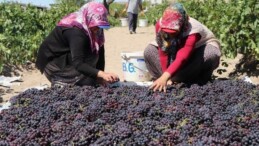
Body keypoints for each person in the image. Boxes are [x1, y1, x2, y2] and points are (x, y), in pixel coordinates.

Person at [36, 2, 119, 87]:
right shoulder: (75, 31)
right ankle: (61, 80)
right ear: (88, 18)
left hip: (69, 56)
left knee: (91, 68)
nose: (97, 29)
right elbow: (78, 63)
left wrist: (100, 76)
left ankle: (81, 80)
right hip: (54, 61)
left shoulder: (96, 28)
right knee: (80, 80)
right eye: (95, 25)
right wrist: (101, 74)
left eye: (99, 25)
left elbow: (100, 53)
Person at [144, 2, 221, 92]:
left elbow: (183, 56)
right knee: (149, 51)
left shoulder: (193, 30)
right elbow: (163, 52)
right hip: (174, 52)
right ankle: (167, 79)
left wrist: (167, 76)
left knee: (211, 53)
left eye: (174, 31)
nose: (170, 34)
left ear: (183, 24)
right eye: (168, 31)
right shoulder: (160, 25)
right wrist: (165, 76)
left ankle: (190, 79)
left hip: (195, 54)